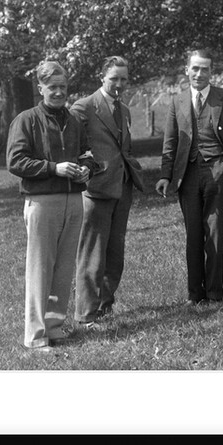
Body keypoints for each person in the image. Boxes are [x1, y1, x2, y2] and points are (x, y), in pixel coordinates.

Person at [6, 61, 93, 354]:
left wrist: (86, 169)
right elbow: (15, 161)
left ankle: (54, 328)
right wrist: (54, 168)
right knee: (41, 268)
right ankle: (35, 334)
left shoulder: (74, 120)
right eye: (52, 87)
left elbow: (87, 154)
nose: (58, 92)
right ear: (40, 88)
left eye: (62, 87)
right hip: (43, 201)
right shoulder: (26, 120)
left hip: (74, 200)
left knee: (64, 268)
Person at [155, 50, 223, 305]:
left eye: (204, 69)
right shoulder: (177, 102)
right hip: (188, 174)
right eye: (195, 68)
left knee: (216, 233)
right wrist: (166, 175)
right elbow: (171, 142)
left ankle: (215, 293)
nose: (199, 74)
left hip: (218, 172)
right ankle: (195, 294)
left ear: (211, 72)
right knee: (193, 235)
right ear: (186, 70)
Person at [70, 56, 146, 329]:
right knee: (92, 252)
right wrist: (86, 169)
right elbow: (73, 146)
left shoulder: (124, 110)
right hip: (96, 189)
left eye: (124, 79)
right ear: (102, 77)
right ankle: (86, 314)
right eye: (114, 78)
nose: (119, 84)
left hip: (122, 186)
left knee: (115, 252)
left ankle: (105, 305)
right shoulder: (84, 107)